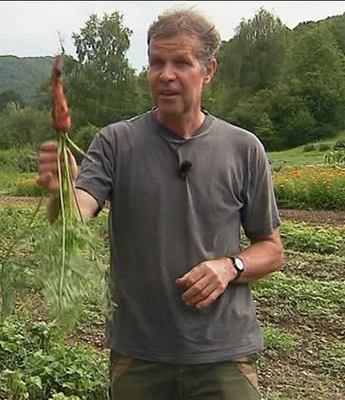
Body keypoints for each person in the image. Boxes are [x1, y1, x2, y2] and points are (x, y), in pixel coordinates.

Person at [37, 7, 284, 400]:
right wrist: (61, 191)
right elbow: (74, 218)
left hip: (222, 356)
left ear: (209, 70)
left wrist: (230, 266)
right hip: (140, 357)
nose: (165, 74)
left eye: (181, 62)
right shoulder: (115, 142)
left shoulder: (243, 149)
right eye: (156, 62)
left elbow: (271, 250)